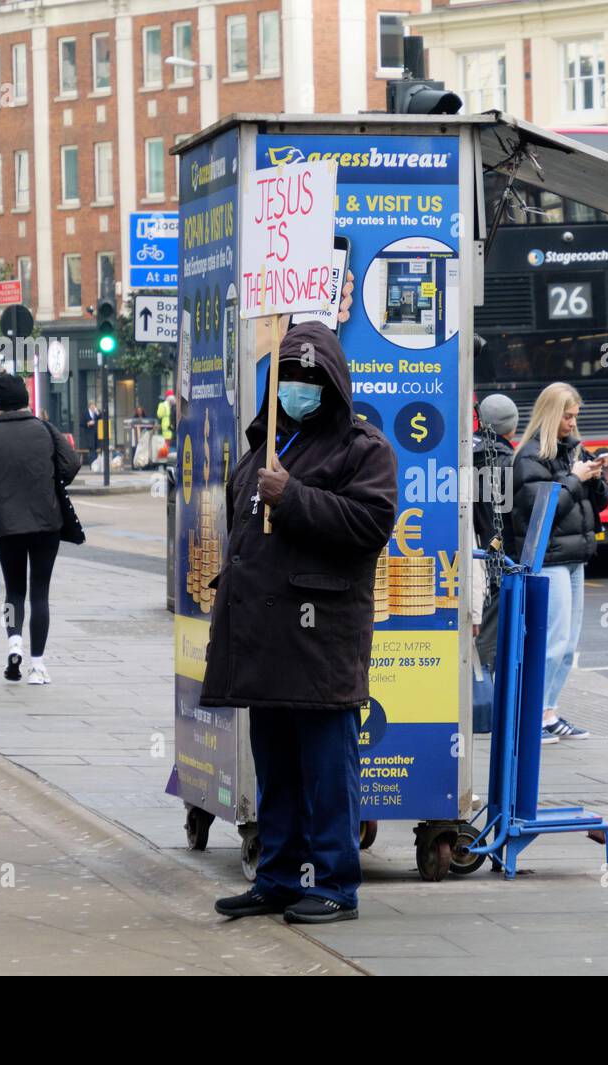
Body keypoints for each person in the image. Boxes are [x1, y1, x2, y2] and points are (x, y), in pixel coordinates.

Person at [207, 322, 396, 925]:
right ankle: (279, 877)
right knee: (278, 769)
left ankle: (336, 883)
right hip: (265, 642)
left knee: (326, 772)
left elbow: (370, 523)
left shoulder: (362, 448)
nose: (299, 389)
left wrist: (293, 499)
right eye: (290, 378)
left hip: (319, 641)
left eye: (312, 379)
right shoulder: (267, 441)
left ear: (333, 384)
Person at [509, 382, 608, 743]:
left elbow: (598, 505)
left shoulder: (572, 451)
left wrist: (594, 479)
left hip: (574, 557)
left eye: (575, 416)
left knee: (568, 644)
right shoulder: (530, 457)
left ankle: (548, 711)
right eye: (567, 416)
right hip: (548, 557)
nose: (572, 423)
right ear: (552, 415)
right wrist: (574, 479)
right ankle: (533, 714)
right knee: (552, 640)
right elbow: (542, 511)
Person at [0, 375, 81, 684]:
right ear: (26, 399)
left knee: (14, 591)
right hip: (46, 523)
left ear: (0, 404)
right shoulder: (46, 430)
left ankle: (14, 643)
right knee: (40, 593)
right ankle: (38, 665)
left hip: (7, 526)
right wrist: (49, 482)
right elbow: (70, 464)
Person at [473, 393, 518, 671]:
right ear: (511, 427)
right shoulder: (507, 461)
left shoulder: (462, 450)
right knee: (490, 636)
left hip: (471, 551)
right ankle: (481, 701)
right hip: (497, 555)